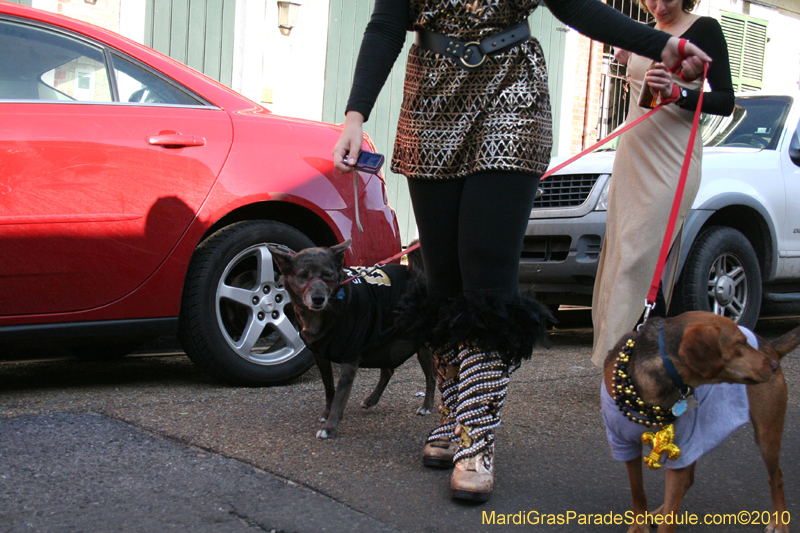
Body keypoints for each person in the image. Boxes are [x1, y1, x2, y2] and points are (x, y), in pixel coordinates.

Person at [333, 0, 712, 502]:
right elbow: (385, 25)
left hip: (512, 97)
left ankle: (476, 438)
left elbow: (577, 6)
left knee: (487, 279)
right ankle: (453, 412)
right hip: (429, 104)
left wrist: (663, 44)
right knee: (442, 280)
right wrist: (355, 116)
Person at [590, 0, 734, 368]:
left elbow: (725, 100)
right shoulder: (641, 32)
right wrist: (629, 60)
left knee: (639, 259)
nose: (659, 5)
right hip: (633, 155)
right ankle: (646, 361)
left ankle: (619, 361)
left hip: (673, 159)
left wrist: (679, 93)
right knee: (622, 257)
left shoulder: (704, 29)